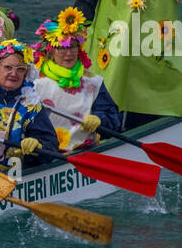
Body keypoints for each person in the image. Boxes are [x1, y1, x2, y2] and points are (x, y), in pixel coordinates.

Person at [31, 9, 121, 151]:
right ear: (50, 51)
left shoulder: (93, 82)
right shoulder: (36, 83)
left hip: (86, 151)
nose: (69, 53)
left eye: (73, 47)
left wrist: (99, 119)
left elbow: (114, 120)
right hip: (47, 154)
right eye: (62, 47)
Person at [0, 40, 61, 172]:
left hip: (11, 175)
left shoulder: (31, 106)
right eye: (8, 67)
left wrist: (38, 146)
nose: (14, 74)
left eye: (20, 69)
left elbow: (51, 146)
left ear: (26, 74)